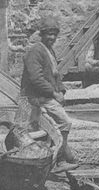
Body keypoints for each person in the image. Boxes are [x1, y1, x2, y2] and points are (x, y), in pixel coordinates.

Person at [21, 15, 79, 170]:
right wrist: (54, 94)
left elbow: (55, 74)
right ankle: (61, 158)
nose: (52, 37)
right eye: (48, 34)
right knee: (63, 122)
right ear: (42, 34)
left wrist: (61, 91)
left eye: (54, 34)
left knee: (55, 126)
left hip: (47, 95)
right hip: (37, 98)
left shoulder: (49, 51)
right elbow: (36, 79)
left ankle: (60, 157)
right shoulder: (35, 51)